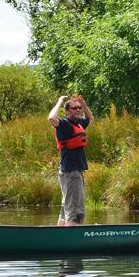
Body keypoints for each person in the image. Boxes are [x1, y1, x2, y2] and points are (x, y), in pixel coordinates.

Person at [48, 95, 94, 226]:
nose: (78, 110)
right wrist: (59, 102)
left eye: (79, 108)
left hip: (73, 170)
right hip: (70, 171)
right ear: (67, 111)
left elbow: (90, 119)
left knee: (66, 206)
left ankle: (59, 237)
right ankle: (72, 240)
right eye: (75, 108)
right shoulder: (64, 124)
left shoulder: (79, 123)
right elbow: (51, 118)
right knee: (75, 209)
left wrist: (83, 103)